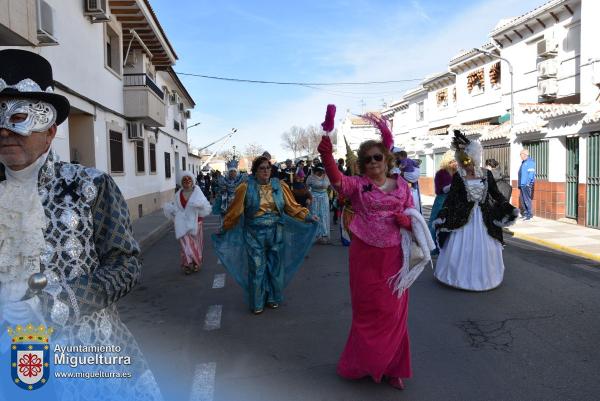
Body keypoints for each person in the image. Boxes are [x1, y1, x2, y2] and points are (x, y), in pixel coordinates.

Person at [0, 49, 162, 400]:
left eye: (20, 117)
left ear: (50, 129)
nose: (4, 131)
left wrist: (54, 304)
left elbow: (126, 266)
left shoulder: (93, 186)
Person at [318, 134, 433, 391]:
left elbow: (412, 214)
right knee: (367, 312)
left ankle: (393, 368)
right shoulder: (357, 185)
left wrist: (407, 220)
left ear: (386, 158)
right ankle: (363, 364)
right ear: (362, 163)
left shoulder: (402, 186)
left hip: (395, 257)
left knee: (394, 314)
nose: (373, 162)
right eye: (367, 159)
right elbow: (337, 181)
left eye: (377, 157)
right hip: (365, 257)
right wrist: (326, 156)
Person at [211, 156, 318, 314]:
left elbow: (291, 207)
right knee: (257, 267)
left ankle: (273, 297)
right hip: (254, 234)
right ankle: (257, 302)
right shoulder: (245, 187)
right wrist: (225, 227)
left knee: (275, 267)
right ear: (255, 171)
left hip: (276, 232)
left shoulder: (279, 186)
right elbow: (235, 211)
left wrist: (307, 216)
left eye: (268, 168)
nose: (266, 171)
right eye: (262, 168)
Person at [433, 131, 518, 291]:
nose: (466, 163)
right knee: (459, 248)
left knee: (486, 249)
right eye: (463, 160)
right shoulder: (459, 176)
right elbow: (452, 198)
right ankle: (457, 277)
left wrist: (507, 207)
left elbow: (496, 194)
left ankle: (485, 278)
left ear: (475, 158)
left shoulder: (487, 174)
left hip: (484, 218)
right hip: (462, 218)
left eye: (468, 159)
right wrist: (443, 213)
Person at [163, 172, 212, 275]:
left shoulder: (197, 192)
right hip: (182, 223)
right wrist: (172, 210)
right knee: (186, 245)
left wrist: (199, 205)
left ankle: (196, 262)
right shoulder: (177, 195)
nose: (187, 182)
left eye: (189, 180)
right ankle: (187, 264)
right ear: (181, 182)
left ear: (192, 181)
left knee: (196, 244)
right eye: (184, 180)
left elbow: (206, 206)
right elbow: (176, 208)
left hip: (196, 223)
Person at [429, 150, 457, 254]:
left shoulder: (456, 173)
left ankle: (446, 248)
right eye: (453, 161)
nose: (456, 163)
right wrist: (456, 184)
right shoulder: (441, 173)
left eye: (456, 161)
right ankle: (433, 248)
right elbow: (444, 189)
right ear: (448, 162)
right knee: (436, 222)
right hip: (442, 200)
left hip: (452, 201)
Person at [212, 159, 246, 228]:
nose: (233, 173)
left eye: (234, 171)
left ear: (236, 172)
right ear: (228, 172)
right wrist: (221, 191)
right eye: (231, 171)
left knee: (237, 225)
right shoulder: (223, 181)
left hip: (237, 206)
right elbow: (219, 193)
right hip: (227, 206)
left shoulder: (240, 181)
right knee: (226, 225)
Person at [306, 163, 331, 244]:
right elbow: (307, 188)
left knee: (324, 214)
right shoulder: (311, 177)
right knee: (315, 214)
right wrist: (308, 197)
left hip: (324, 197)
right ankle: (315, 235)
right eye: (319, 171)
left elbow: (330, 186)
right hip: (314, 197)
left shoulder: (326, 176)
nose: (321, 172)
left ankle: (324, 234)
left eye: (322, 171)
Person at [518, 149, 536, 220]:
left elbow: (531, 174)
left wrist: (528, 183)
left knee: (527, 200)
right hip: (522, 184)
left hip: (526, 184)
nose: (520, 156)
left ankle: (529, 215)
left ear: (525, 154)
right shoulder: (523, 162)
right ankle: (525, 214)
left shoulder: (530, 162)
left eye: (521, 154)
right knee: (522, 200)